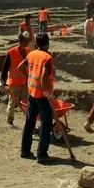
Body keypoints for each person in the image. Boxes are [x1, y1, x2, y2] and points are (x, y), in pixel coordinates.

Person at [18, 33, 57, 164]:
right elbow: (44, 76)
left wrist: (28, 78)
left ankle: (25, 150)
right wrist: (46, 92)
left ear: (36, 43)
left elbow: (20, 67)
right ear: (48, 43)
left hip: (32, 93)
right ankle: (42, 155)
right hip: (42, 96)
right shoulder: (47, 57)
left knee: (30, 122)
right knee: (46, 124)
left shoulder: (31, 54)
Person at [0, 32, 32, 126]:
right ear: (20, 41)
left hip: (26, 82)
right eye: (25, 41)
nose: (27, 43)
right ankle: (9, 120)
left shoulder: (29, 52)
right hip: (14, 83)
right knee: (12, 103)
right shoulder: (11, 52)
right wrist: (2, 81)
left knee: (26, 103)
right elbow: (5, 68)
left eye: (28, 41)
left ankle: (28, 120)